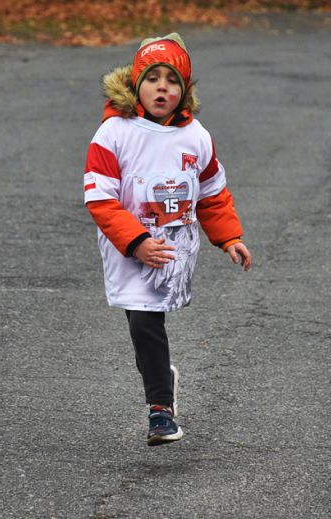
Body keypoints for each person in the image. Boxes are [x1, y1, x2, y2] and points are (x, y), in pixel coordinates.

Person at [83, 33, 251, 446]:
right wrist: (135, 241)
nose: (163, 87)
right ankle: (161, 404)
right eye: (153, 78)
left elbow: (212, 193)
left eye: (173, 80)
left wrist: (229, 237)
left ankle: (160, 402)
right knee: (142, 319)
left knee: (145, 321)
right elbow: (100, 198)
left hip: (173, 244)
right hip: (129, 244)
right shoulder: (114, 133)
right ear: (135, 84)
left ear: (185, 90)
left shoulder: (197, 137)